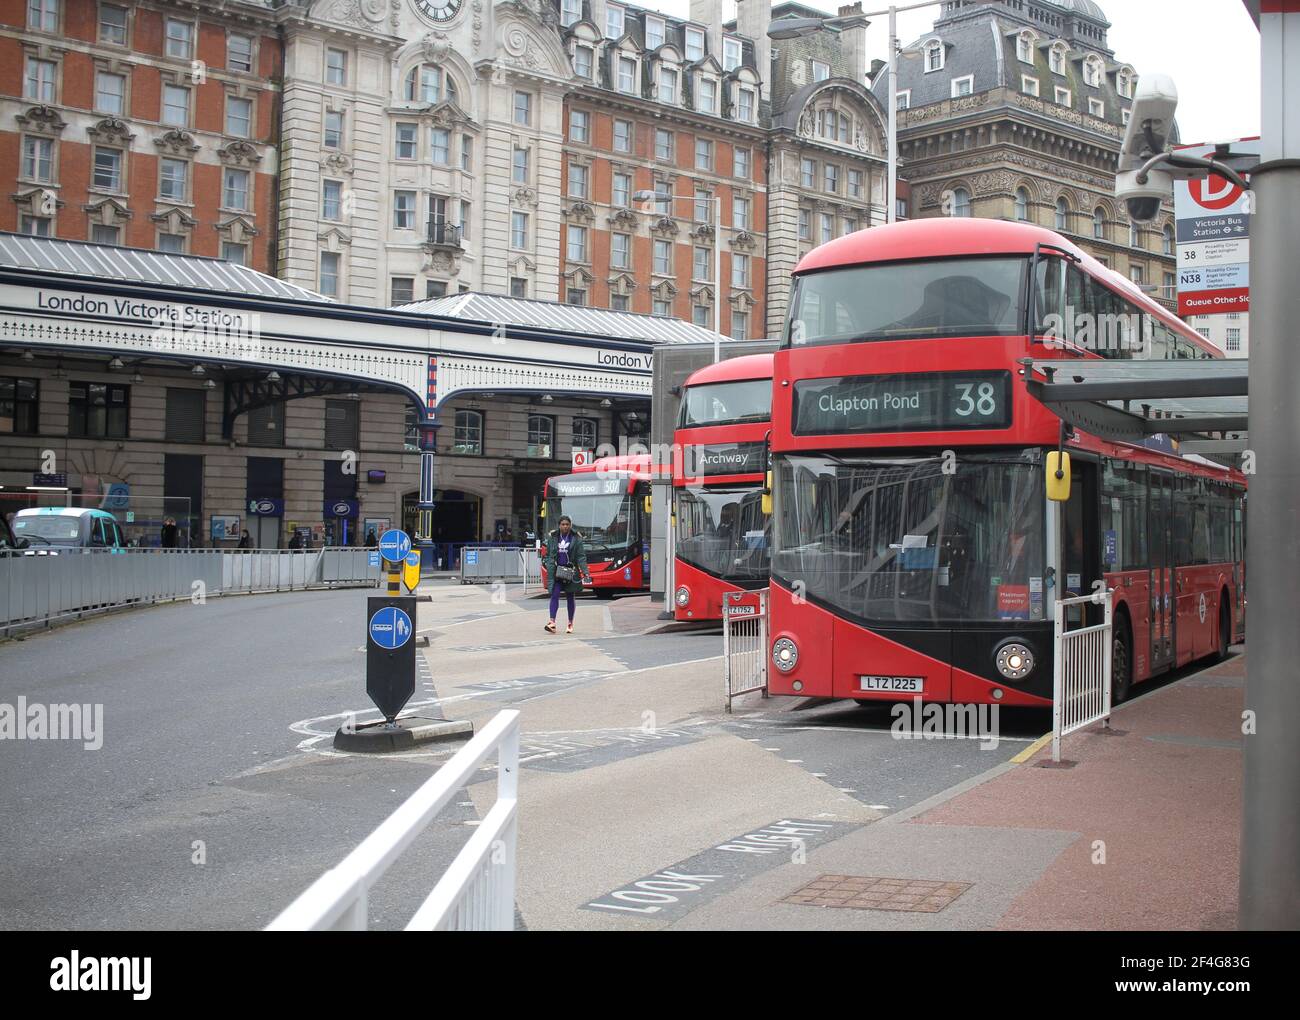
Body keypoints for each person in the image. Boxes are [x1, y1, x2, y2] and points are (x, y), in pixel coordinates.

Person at [542, 514, 590, 635]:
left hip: (570, 572)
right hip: (557, 572)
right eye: (563, 524)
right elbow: (548, 554)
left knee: (570, 597)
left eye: (567, 524)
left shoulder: (576, 538)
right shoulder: (553, 537)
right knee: (554, 594)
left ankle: (570, 623)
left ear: (570, 525)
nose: (565, 526)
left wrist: (585, 572)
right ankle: (552, 622)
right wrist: (549, 564)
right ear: (559, 525)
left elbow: (581, 557)